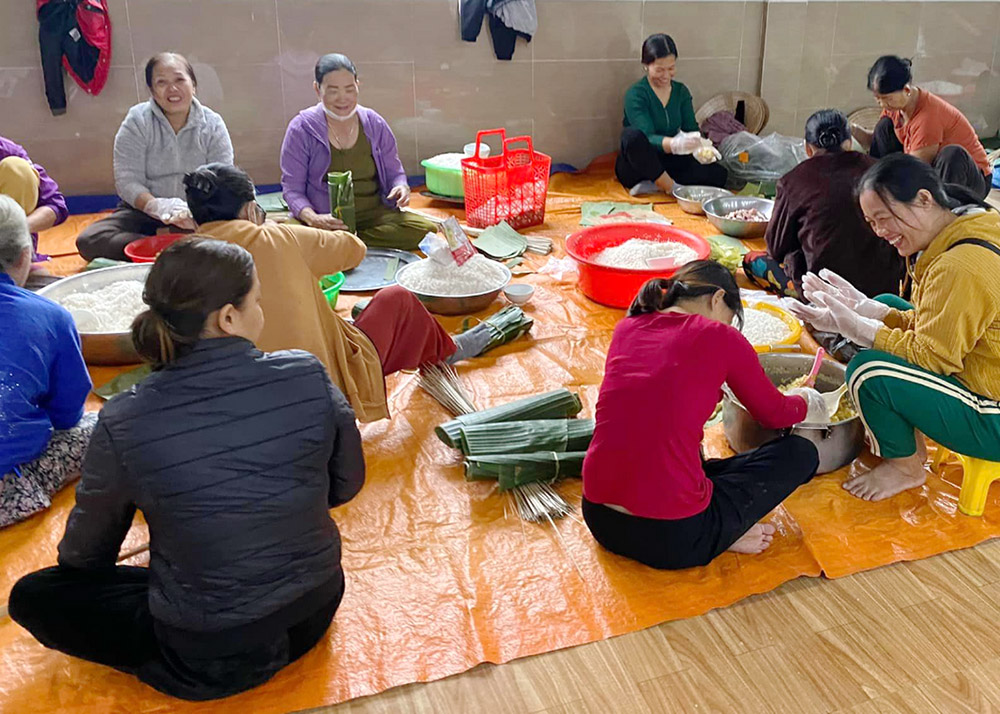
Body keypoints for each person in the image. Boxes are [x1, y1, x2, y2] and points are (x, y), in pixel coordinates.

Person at [9, 238, 363, 701]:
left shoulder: (125, 417)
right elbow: (346, 484)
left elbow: (85, 558)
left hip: (211, 657)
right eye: (257, 298)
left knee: (34, 595)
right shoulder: (306, 372)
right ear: (228, 318)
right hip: (316, 606)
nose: (262, 309)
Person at [188, 163, 519, 422]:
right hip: (317, 400)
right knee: (396, 299)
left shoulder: (176, 264)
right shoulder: (277, 237)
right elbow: (354, 249)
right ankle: (445, 350)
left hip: (229, 410)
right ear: (250, 211)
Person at [786, 154, 1000, 502]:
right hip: (985, 367)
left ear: (924, 199)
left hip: (993, 414)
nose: (881, 233)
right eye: (872, 223)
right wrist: (867, 309)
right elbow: (936, 321)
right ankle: (906, 443)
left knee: (867, 373)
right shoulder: (967, 227)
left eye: (884, 218)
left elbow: (933, 357)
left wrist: (859, 328)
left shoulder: (960, 265)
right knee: (890, 303)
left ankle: (907, 467)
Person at [582, 262, 822, 570]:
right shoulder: (719, 336)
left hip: (600, 519)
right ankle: (723, 533)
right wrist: (806, 400)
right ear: (717, 299)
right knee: (800, 453)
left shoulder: (627, 327)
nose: (728, 324)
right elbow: (774, 415)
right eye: (730, 318)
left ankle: (719, 525)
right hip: (676, 538)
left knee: (686, 458)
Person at [75, 52, 234, 261]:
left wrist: (196, 211)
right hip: (145, 215)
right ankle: (175, 242)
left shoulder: (213, 124)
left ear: (193, 85)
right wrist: (156, 206)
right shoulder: (137, 121)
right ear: (152, 91)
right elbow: (127, 180)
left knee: (239, 235)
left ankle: (165, 246)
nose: (172, 89)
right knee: (90, 240)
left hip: (199, 215)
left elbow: (222, 179)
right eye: (162, 82)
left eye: (179, 80)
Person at [0, 195, 94, 528]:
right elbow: (68, 415)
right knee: (103, 426)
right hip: (7, 489)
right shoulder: (49, 317)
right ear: (27, 255)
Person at [743, 110, 905, 299]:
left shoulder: (794, 180)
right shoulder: (881, 172)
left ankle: (807, 297)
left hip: (826, 294)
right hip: (885, 291)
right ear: (849, 143)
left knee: (752, 260)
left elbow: (776, 248)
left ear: (808, 148)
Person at [280, 53, 435, 250]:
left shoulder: (374, 123)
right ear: (317, 89)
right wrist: (313, 218)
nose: (343, 98)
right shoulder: (301, 128)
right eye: (333, 90)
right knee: (288, 239)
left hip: (371, 215)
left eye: (349, 89)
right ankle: (341, 243)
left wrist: (401, 188)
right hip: (324, 219)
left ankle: (345, 244)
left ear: (357, 86)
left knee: (425, 229)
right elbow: (292, 189)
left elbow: (395, 172)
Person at [850, 56, 990, 198]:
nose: (882, 104)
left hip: (969, 178)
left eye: (887, 99)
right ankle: (875, 188)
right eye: (878, 98)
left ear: (906, 90)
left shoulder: (928, 116)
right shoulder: (895, 108)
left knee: (952, 153)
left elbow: (915, 169)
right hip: (930, 167)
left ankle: (945, 206)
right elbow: (876, 140)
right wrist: (854, 132)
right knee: (884, 127)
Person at [615, 34, 728, 197]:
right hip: (639, 163)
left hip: (670, 160)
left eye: (671, 68)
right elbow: (646, 136)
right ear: (646, 65)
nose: (666, 75)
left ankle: (654, 184)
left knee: (719, 175)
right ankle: (670, 187)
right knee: (630, 137)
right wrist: (674, 144)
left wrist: (701, 146)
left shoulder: (681, 92)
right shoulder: (636, 94)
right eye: (659, 69)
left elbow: (691, 128)